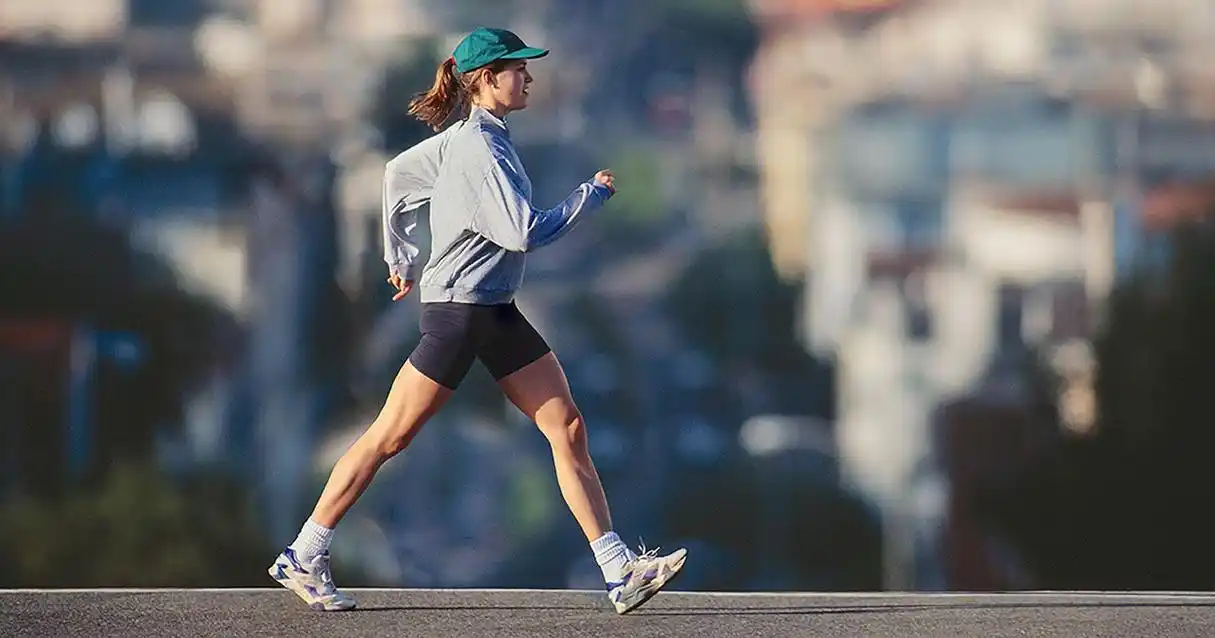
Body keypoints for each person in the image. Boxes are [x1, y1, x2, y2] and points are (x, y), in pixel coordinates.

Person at [268, 27, 687, 615]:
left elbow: (396, 176)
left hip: (494, 310)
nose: (530, 77)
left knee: (566, 427)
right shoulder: (478, 150)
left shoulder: (469, 139)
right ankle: (304, 553)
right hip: (462, 316)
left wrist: (401, 258)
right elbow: (522, 231)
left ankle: (620, 572)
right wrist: (589, 197)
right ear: (486, 79)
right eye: (519, 68)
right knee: (390, 436)